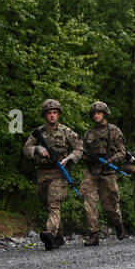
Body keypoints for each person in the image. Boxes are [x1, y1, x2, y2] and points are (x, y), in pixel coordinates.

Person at [23, 99, 82, 249]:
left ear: (58, 114)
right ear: (45, 115)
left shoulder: (66, 132)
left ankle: (49, 234)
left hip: (59, 173)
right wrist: (37, 149)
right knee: (47, 204)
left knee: (54, 204)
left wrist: (69, 158)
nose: (52, 116)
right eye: (49, 113)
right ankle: (58, 235)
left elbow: (79, 148)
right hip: (43, 173)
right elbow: (26, 148)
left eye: (54, 113)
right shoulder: (38, 132)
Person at [80, 100, 127, 244]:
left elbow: (122, 152)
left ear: (105, 114)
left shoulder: (114, 131)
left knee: (111, 205)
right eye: (94, 113)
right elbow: (82, 152)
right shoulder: (89, 133)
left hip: (108, 172)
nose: (96, 116)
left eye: (99, 113)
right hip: (92, 172)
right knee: (90, 203)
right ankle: (93, 234)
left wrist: (111, 159)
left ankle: (119, 225)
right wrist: (87, 157)